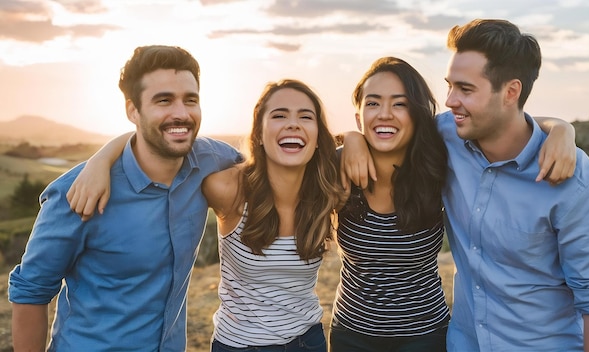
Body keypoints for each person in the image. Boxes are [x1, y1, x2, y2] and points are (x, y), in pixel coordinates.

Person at [343, 19, 589, 351]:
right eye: (450, 86)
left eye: (465, 89)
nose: (449, 101)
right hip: (464, 343)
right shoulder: (446, 136)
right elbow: (387, 132)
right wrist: (352, 139)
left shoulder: (573, 181)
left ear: (511, 92)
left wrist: (564, 131)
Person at [66, 79, 345, 351]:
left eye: (305, 117)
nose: (293, 123)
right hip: (242, 345)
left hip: (310, 340)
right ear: (258, 134)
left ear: (318, 137)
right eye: (279, 115)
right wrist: (101, 159)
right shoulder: (228, 189)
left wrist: (354, 139)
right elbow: (159, 142)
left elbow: (376, 145)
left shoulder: (329, 190)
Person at [8, 45, 242, 351]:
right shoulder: (77, 194)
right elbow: (30, 293)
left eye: (191, 100)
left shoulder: (211, 159)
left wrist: (105, 153)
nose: (181, 113)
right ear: (133, 110)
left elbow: (274, 162)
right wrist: (103, 160)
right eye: (164, 100)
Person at [328, 57, 449, 352]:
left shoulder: (439, 163)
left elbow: (505, 127)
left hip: (425, 335)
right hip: (351, 333)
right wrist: (351, 139)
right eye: (373, 103)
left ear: (418, 114)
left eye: (399, 104)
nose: (384, 114)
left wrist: (562, 129)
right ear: (358, 116)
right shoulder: (336, 165)